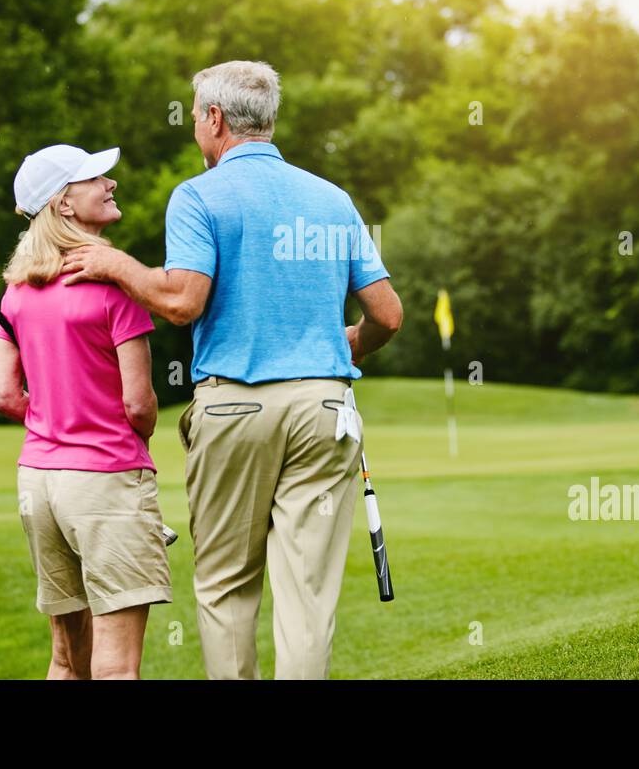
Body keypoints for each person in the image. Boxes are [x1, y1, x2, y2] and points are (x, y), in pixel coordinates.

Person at [61, 61, 403, 679]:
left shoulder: (199, 195)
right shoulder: (331, 199)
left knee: (225, 586)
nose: (195, 127)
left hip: (236, 408)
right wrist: (346, 343)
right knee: (307, 594)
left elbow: (181, 301)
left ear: (215, 119)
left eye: (196, 116)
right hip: (327, 412)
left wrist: (117, 268)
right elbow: (388, 314)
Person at [0, 143, 171, 680]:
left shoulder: (16, 291)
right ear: (64, 204)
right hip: (107, 478)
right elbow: (139, 404)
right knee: (115, 667)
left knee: (68, 661)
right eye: (96, 177)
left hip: (39, 482)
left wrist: (55, 421)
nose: (110, 182)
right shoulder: (115, 287)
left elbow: (3, 393)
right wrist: (130, 430)